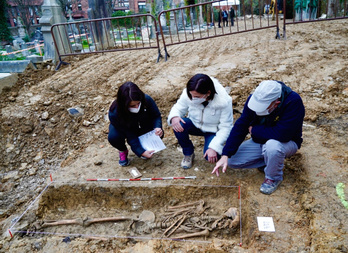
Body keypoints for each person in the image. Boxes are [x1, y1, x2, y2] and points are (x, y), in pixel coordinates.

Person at [212, 80, 305, 195]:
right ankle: (268, 161)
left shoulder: (293, 102)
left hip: (286, 142)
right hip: (261, 140)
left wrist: (254, 130)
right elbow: (242, 125)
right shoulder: (255, 98)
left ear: (276, 103)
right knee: (232, 161)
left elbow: (283, 134)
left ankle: (273, 178)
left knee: (272, 146)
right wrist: (226, 154)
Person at [168, 74, 233, 169]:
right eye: (191, 95)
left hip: (213, 130)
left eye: (197, 96)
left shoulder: (224, 101)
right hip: (194, 124)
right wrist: (174, 117)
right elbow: (178, 107)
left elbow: (226, 127)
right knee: (178, 124)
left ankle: (217, 148)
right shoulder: (189, 93)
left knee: (211, 156)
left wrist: (214, 147)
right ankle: (188, 153)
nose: (192, 98)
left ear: (208, 93)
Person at [108, 82, 163, 166]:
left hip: (143, 124)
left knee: (158, 134)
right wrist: (139, 150)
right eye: (132, 106)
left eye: (138, 103)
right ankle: (123, 150)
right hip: (126, 128)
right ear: (124, 105)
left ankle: (147, 147)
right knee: (114, 137)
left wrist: (157, 127)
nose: (137, 107)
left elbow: (156, 116)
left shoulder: (146, 100)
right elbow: (129, 133)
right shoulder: (114, 113)